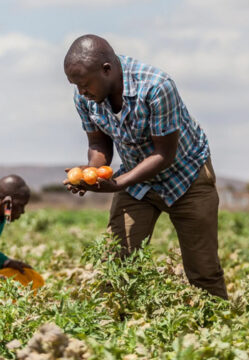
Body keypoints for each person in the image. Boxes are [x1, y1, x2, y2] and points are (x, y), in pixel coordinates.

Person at [63, 34, 228, 299]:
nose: (81, 92)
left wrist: (118, 183)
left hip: (187, 177)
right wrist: (90, 173)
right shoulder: (85, 96)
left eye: (84, 84)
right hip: (137, 181)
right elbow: (98, 143)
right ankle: (115, 330)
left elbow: (164, 154)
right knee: (117, 264)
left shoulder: (156, 86)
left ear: (107, 70)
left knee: (203, 272)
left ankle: (219, 328)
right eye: (76, 85)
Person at [0, 175, 32, 273]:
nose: (23, 212)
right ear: (7, 204)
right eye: (20, 206)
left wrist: (6, 262)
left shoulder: (1, 217)